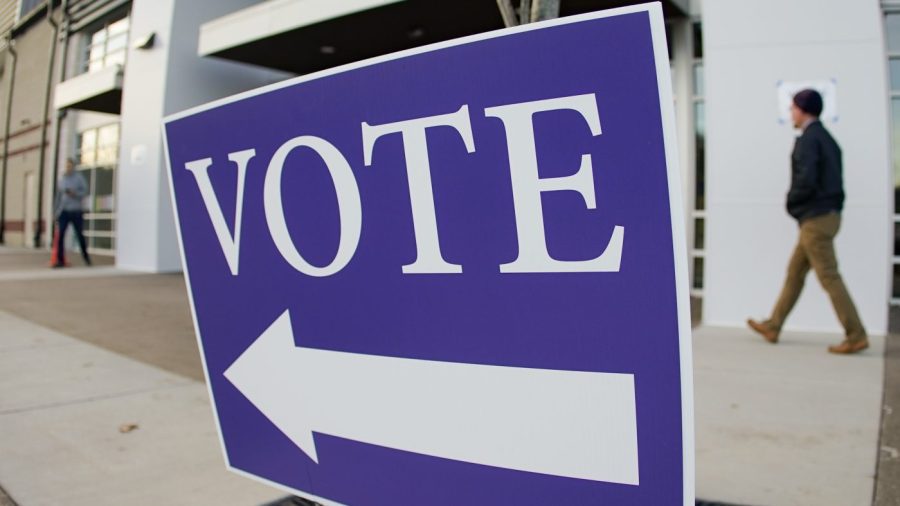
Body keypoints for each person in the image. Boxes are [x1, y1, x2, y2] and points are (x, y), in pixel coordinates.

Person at [747, 89, 867, 355]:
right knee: (795, 273)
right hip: (826, 216)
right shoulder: (827, 139)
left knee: (829, 276)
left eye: (793, 108)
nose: (791, 113)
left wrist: (793, 203)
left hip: (816, 220)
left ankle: (856, 334)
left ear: (804, 110)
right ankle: (774, 325)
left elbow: (806, 179)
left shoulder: (810, 140)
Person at [54, 158, 91, 267]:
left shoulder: (79, 179)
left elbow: (85, 191)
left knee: (79, 235)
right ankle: (60, 260)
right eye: (66, 166)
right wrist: (55, 212)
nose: (68, 168)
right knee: (60, 236)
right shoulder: (62, 179)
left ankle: (86, 258)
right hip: (64, 211)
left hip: (76, 211)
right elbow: (58, 197)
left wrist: (75, 193)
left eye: (70, 166)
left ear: (73, 166)